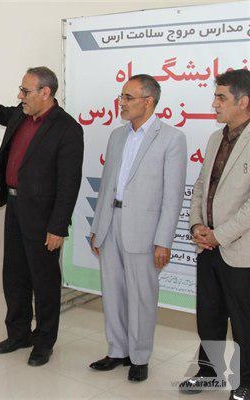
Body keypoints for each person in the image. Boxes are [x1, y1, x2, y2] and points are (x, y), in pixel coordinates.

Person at [0, 67, 84, 367]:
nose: (20, 96)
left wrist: (58, 227)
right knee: (14, 275)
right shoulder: (20, 115)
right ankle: (19, 334)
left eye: (25, 91)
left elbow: (69, 183)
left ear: (45, 93)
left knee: (44, 281)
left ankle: (44, 341)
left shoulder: (67, 129)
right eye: (21, 90)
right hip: (15, 207)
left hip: (44, 217)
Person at [89, 74, 187, 382]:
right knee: (113, 292)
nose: (122, 102)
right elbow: (107, 184)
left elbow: (172, 196)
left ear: (148, 101)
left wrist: (163, 241)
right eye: (122, 96)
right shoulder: (117, 136)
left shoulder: (171, 138)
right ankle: (117, 350)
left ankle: (140, 356)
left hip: (145, 230)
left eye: (128, 97)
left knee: (142, 296)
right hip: (111, 223)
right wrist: (97, 227)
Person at [179, 69, 250, 400]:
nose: (215, 103)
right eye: (215, 96)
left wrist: (219, 235)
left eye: (221, 97)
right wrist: (196, 226)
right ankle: (209, 373)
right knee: (209, 316)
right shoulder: (214, 139)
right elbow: (200, 187)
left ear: (244, 102)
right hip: (207, 246)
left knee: (244, 322)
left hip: (239, 249)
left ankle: (246, 382)